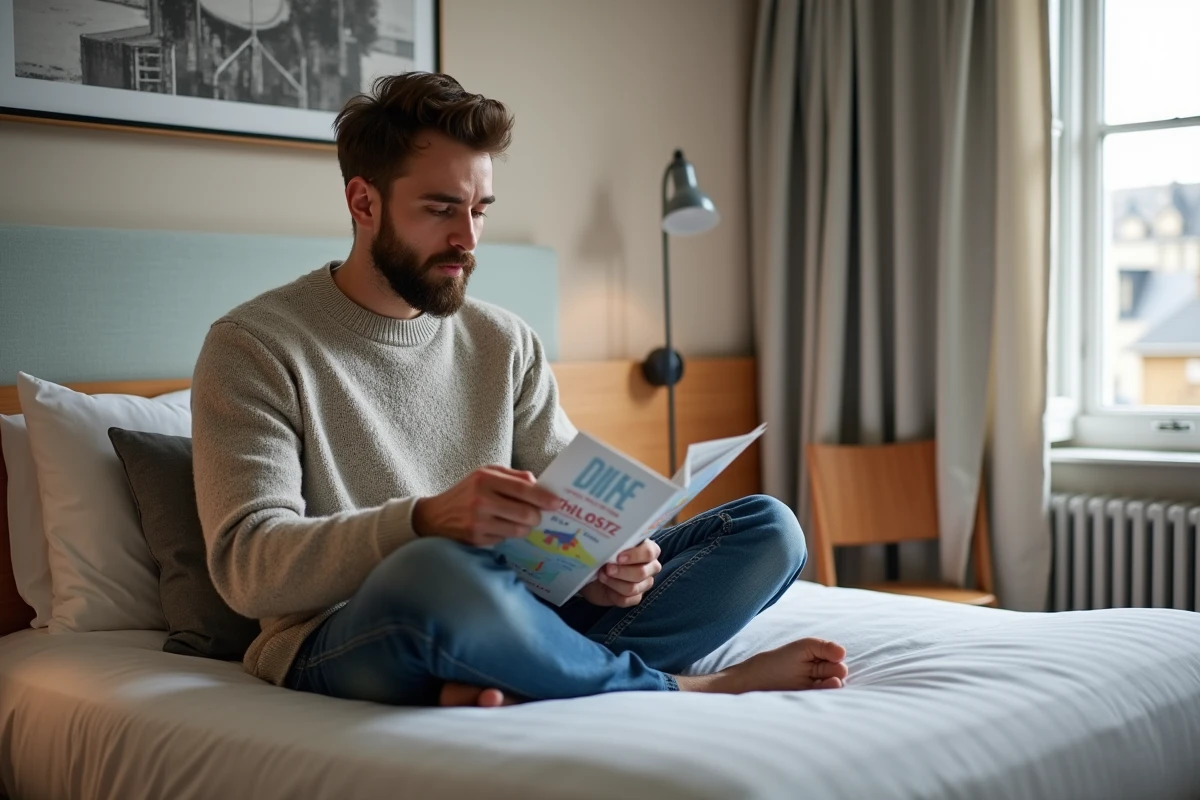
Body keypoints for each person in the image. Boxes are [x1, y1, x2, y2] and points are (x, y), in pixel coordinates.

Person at [191, 72, 848, 707]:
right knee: (438, 571)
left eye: (479, 209)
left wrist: (610, 565)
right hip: (354, 629)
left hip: (516, 607)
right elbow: (250, 568)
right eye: (442, 209)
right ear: (364, 202)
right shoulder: (255, 345)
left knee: (769, 528)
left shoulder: (504, 342)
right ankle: (680, 686)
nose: (468, 239)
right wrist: (422, 521)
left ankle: (521, 675)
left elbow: (568, 518)